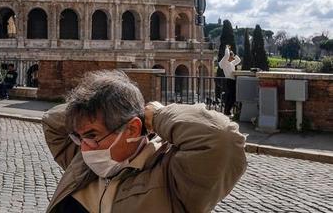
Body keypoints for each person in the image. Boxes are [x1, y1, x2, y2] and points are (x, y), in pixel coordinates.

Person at [42, 70, 246, 212]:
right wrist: (86, 108)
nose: (85, 147)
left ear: (132, 129)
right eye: (79, 136)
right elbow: (52, 121)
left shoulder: (171, 174)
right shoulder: (83, 163)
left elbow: (222, 138)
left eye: (92, 135)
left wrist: (158, 115)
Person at [219, 46, 241, 115]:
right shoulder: (225, 62)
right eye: (232, 57)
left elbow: (238, 60)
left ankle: (227, 110)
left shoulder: (231, 63)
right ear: (229, 57)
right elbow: (227, 55)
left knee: (231, 97)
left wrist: (234, 54)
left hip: (232, 81)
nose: (233, 58)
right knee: (230, 97)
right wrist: (227, 48)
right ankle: (227, 111)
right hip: (229, 81)